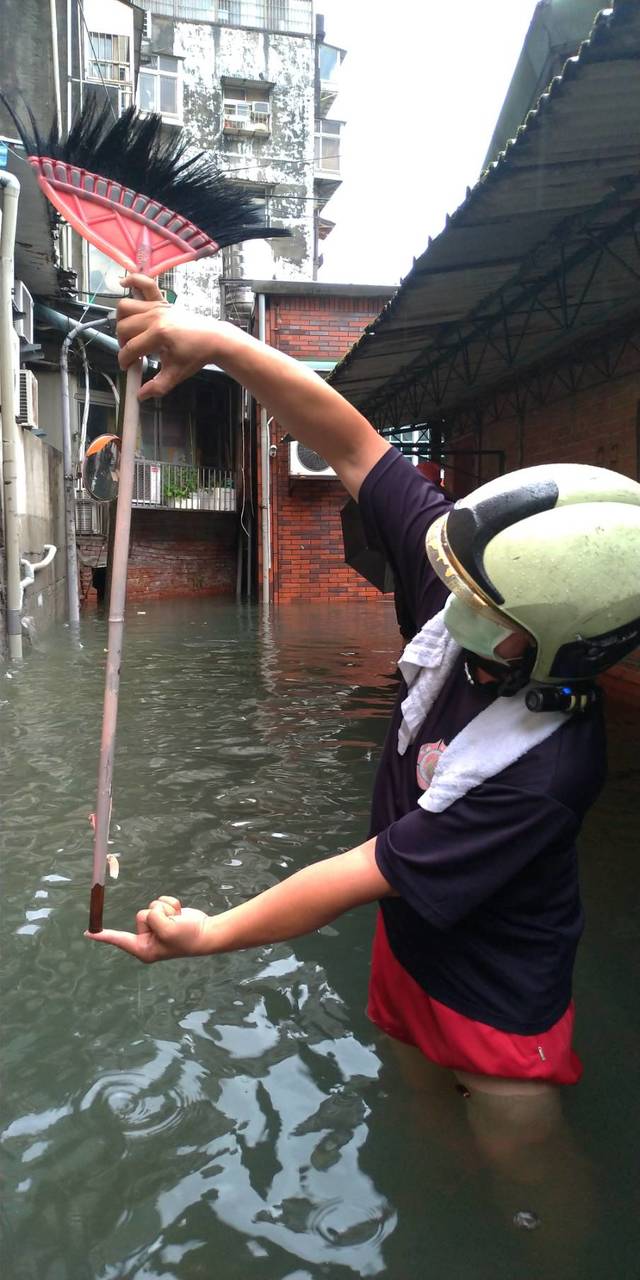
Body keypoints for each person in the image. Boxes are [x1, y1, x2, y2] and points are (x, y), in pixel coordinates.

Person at [87, 275, 640, 1132]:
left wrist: (208, 935)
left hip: (497, 993)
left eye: (472, 600)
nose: (440, 594)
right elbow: (348, 442)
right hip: (412, 944)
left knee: (520, 1161)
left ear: (548, 643)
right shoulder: (482, 583)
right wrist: (217, 343)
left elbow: (358, 873)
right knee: (413, 1109)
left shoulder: (542, 769)